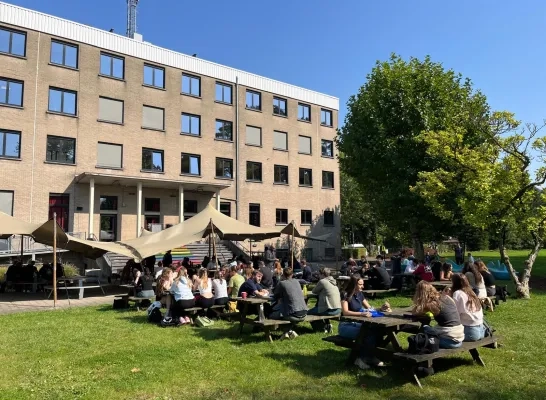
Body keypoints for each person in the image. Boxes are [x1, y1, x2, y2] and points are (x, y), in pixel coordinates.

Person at [338, 275, 384, 370]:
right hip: (346, 325)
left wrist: (381, 308)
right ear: (354, 284)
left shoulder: (360, 294)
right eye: (360, 284)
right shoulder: (345, 294)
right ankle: (361, 359)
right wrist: (361, 314)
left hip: (358, 324)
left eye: (363, 284)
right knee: (367, 333)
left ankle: (370, 357)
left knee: (378, 331)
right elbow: (345, 312)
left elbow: (370, 308)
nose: (363, 286)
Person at [412, 281, 464, 349]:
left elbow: (415, 313)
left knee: (425, 328)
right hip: (459, 338)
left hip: (449, 341)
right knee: (430, 328)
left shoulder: (431, 304)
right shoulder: (447, 298)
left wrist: (418, 302)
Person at [270, 268, 308, 340]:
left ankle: (288, 331)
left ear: (283, 275)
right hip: (304, 313)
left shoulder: (282, 283)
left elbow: (275, 296)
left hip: (293, 314)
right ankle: (287, 332)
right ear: (292, 274)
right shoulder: (297, 282)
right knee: (283, 312)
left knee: (272, 315)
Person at [446, 274, 484, 341]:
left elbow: (454, 314)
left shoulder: (457, 293)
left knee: (443, 336)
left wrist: (447, 298)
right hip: (481, 328)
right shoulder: (471, 292)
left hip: (470, 331)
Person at [308, 268, 341, 332]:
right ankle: (328, 325)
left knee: (308, 312)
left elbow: (314, 291)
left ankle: (321, 329)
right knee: (318, 309)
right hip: (338, 309)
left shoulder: (322, 281)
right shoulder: (333, 281)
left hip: (329, 309)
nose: (318, 276)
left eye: (319, 274)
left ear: (322, 274)